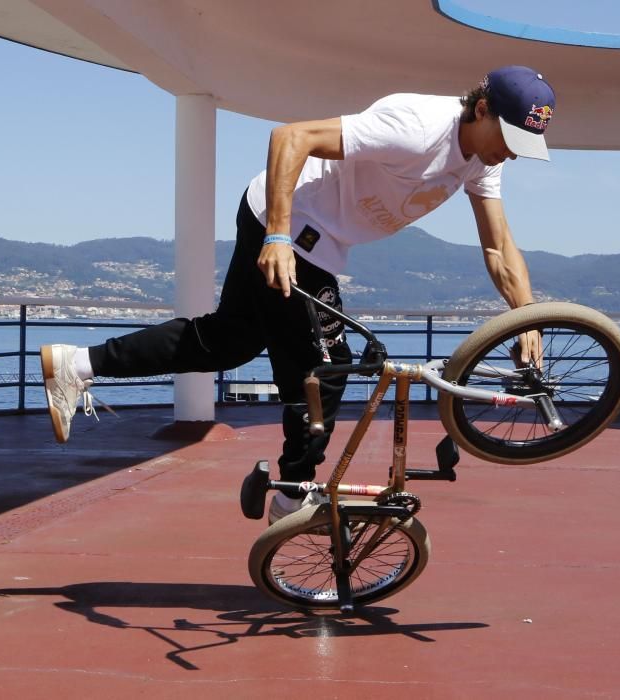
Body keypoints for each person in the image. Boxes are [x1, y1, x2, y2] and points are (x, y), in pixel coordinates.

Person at [40, 65, 555, 524]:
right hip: (295, 225)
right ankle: (291, 498)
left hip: (309, 235)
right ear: (481, 109)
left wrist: (526, 317)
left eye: (520, 145)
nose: (508, 150)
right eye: (507, 136)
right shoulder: (417, 126)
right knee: (326, 369)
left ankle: (77, 363)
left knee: (229, 342)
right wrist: (279, 238)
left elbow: (499, 246)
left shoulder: (486, 159)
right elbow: (292, 136)